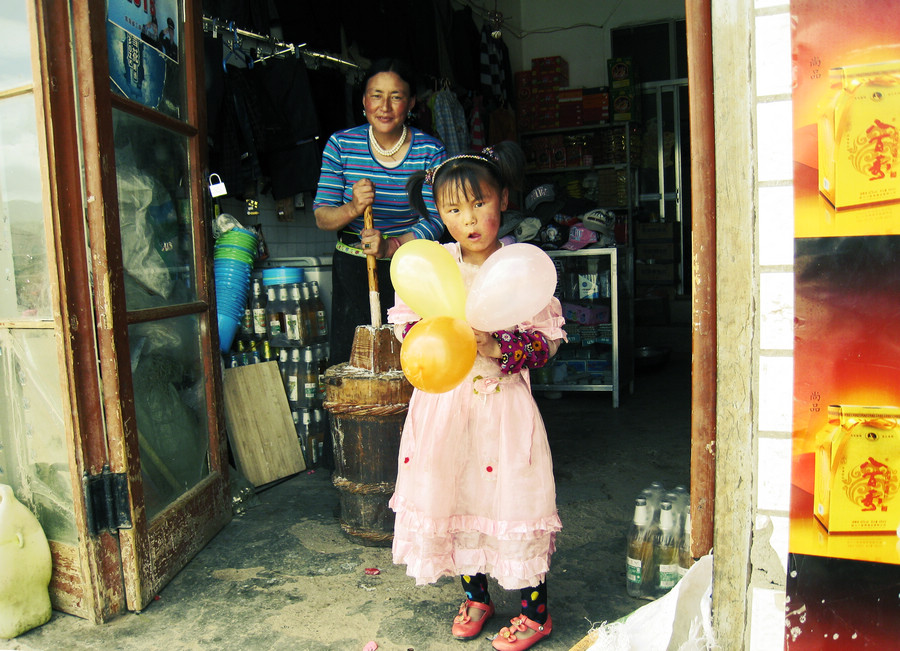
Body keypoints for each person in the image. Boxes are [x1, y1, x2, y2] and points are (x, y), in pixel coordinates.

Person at [387, 142, 565, 651]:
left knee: (513, 500)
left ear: (502, 199)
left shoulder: (522, 266)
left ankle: (536, 613)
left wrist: (497, 343)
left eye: (479, 203)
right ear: (439, 214)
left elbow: (545, 342)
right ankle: (476, 596)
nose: (469, 218)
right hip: (444, 408)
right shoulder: (431, 265)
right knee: (456, 493)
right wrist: (436, 335)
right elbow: (407, 329)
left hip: (501, 407)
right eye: (454, 209)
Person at [314, 58, 447, 365]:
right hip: (354, 267)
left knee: (410, 356)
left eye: (396, 96)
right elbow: (322, 216)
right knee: (354, 358)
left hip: (411, 266)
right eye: (376, 95)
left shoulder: (430, 151)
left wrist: (391, 245)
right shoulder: (341, 144)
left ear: (411, 103)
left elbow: (438, 217)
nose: (385, 106)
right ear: (364, 100)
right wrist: (353, 207)